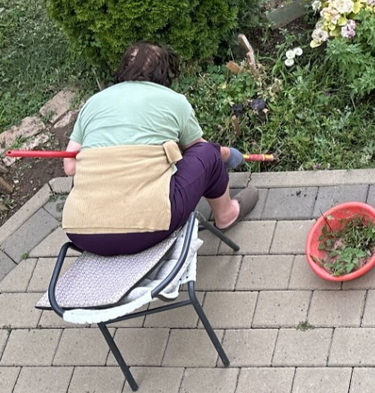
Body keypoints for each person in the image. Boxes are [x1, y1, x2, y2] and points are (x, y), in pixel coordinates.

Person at [60, 42, 259, 256]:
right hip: (147, 229)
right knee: (207, 153)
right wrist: (227, 155)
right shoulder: (174, 101)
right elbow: (200, 149)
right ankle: (226, 214)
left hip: (82, 233)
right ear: (164, 72)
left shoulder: (93, 103)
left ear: (124, 68)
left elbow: (70, 166)